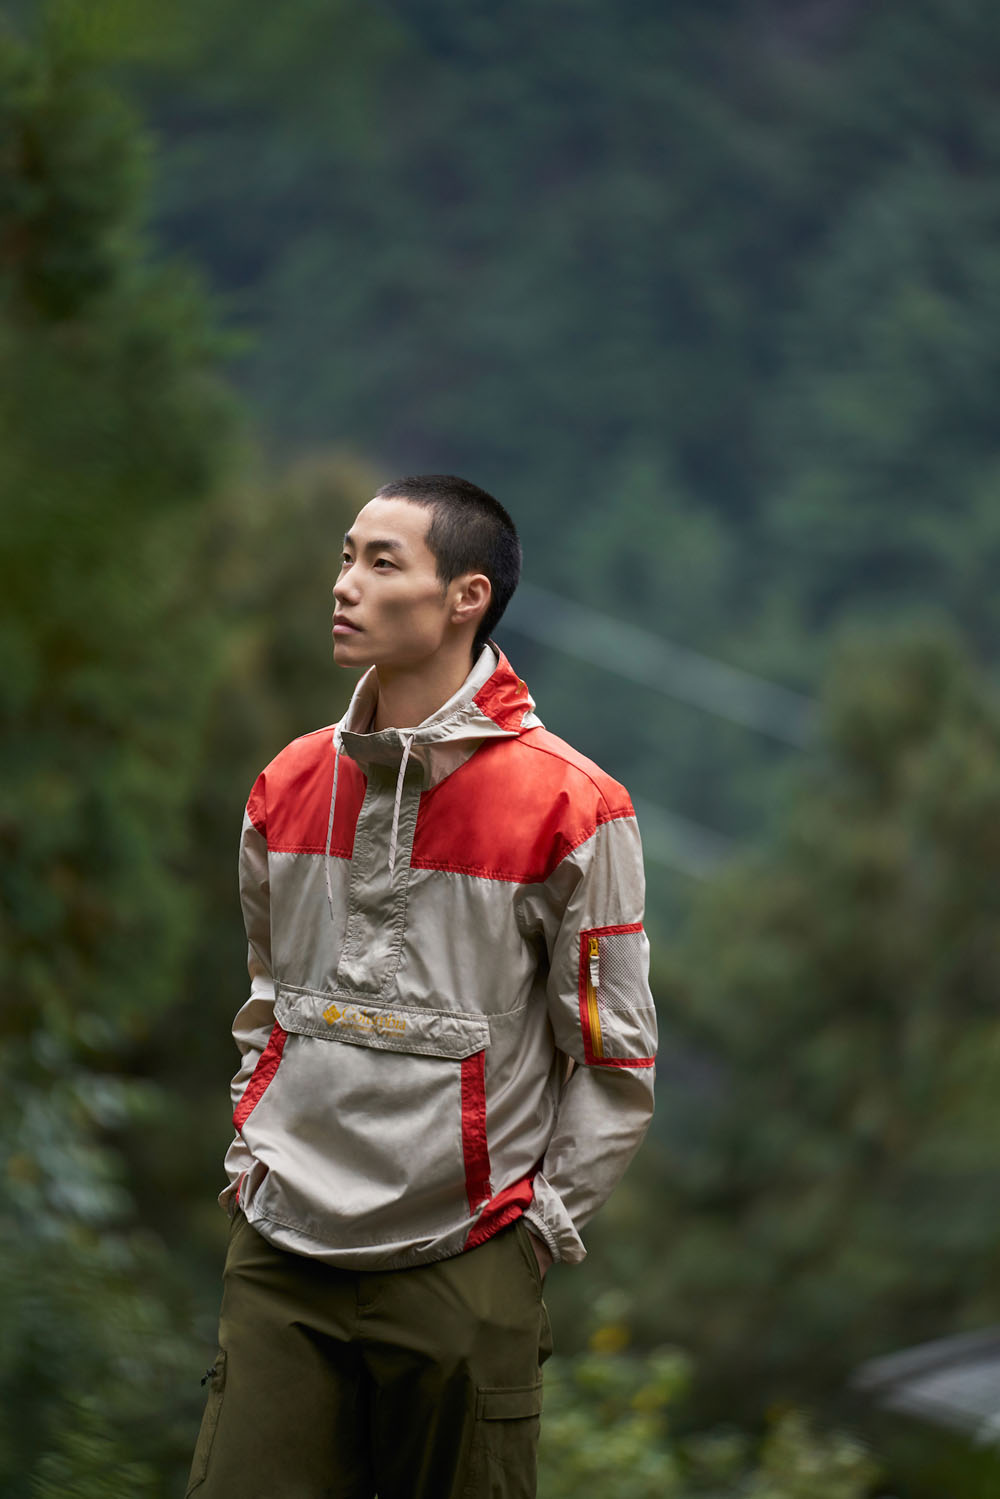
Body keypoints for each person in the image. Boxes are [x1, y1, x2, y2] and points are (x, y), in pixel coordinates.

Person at [186, 474, 657, 1499]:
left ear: (464, 597)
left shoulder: (576, 805)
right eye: (345, 556)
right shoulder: (288, 781)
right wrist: (251, 1158)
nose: (344, 583)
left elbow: (613, 1056)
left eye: (381, 561)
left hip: (468, 1256)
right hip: (282, 1248)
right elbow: (268, 998)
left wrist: (536, 1236)